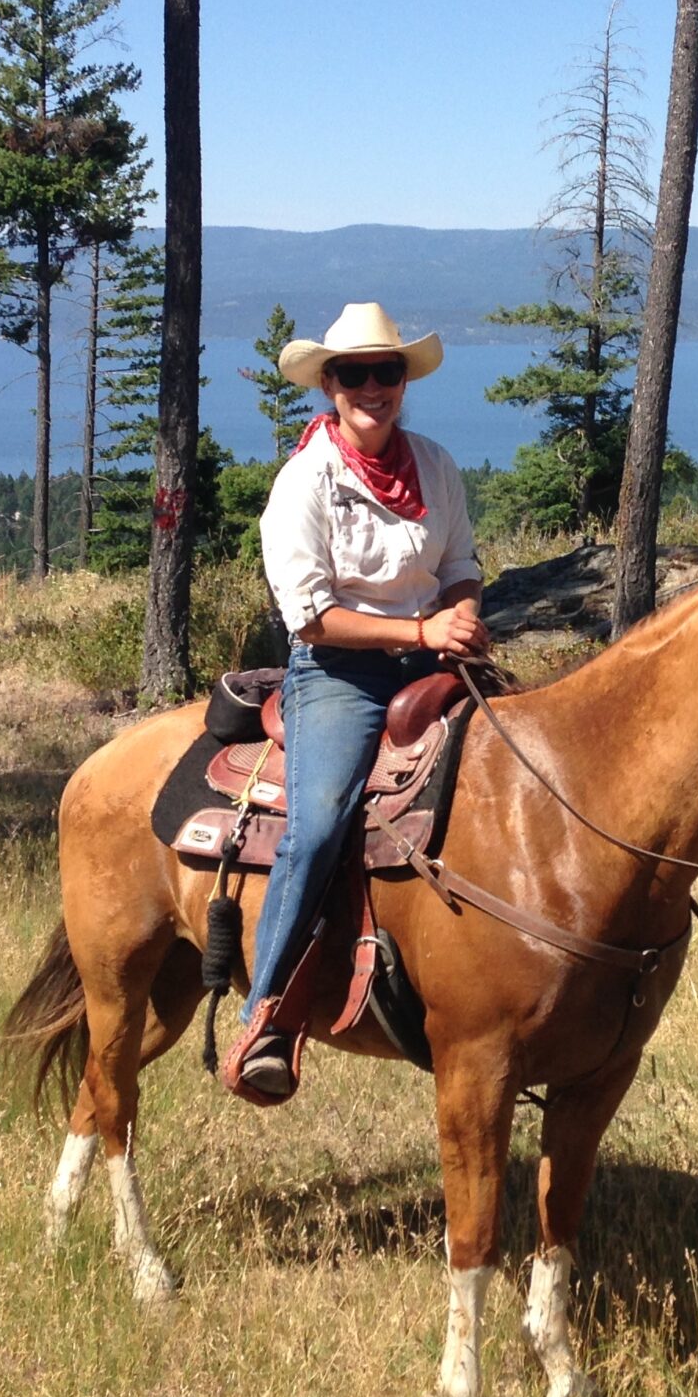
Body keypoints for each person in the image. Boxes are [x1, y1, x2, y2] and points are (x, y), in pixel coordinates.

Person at [224, 302, 490, 1103]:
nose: (374, 387)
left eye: (389, 372)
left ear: (404, 382)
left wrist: (465, 611)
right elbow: (307, 614)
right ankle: (266, 1014)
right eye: (356, 374)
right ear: (330, 385)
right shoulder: (305, 480)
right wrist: (421, 624)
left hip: (435, 657)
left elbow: (462, 564)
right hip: (339, 675)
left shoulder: (435, 465)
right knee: (321, 823)